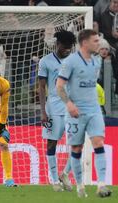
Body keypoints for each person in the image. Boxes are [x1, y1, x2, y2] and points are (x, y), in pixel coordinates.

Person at [56, 29, 112, 198]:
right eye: (95, 41)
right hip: (75, 112)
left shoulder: (97, 62)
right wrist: (69, 104)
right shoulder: (71, 62)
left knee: (98, 143)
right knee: (77, 148)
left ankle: (101, 185)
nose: (98, 43)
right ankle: (80, 186)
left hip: (94, 109)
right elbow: (59, 86)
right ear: (85, 43)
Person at [38, 30, 76, 192]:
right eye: (64, 47)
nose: (67, 50)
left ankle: (65, 173)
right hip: (53, 108)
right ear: (57, 44)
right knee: (52, 142)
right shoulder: (45, 61)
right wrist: (42, 111)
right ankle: (54, 179)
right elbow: (41, 87)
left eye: (70, 48)